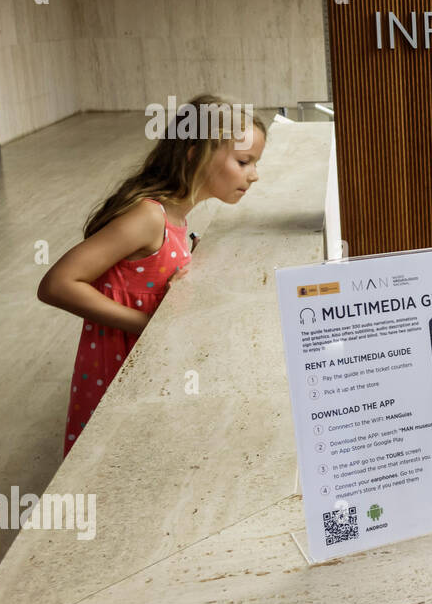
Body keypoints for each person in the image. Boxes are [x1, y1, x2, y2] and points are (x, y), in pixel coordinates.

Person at [37, 94, 268, 456]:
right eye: (244, 161)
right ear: (195, 154)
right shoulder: (149, 217)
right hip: (118, 375)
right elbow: (57, 284)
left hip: (146, 371)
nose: (254, 175)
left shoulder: (176, 215)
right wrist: (148, 324)